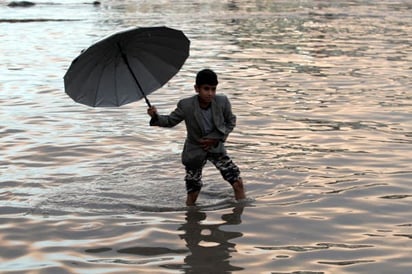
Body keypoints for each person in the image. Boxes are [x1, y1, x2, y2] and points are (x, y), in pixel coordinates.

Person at [147, 69, 246, 206]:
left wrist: (217, 138)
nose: (210, 93)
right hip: (194, 151)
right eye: (206, 89)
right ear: (196, 89)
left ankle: (241, 211)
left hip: (216, 148)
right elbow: (170, 121)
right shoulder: (186, 105)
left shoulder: (222, 101)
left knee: (237, 182)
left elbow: (231, 121)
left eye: (213, 89)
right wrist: (155, 116)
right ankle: (191, 221)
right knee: (193, 192)